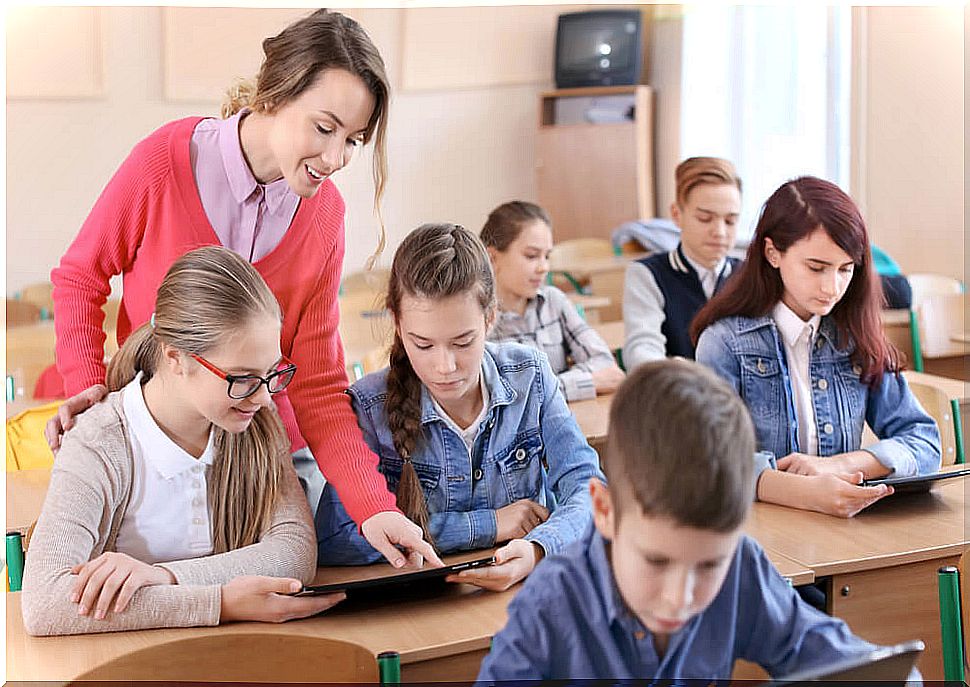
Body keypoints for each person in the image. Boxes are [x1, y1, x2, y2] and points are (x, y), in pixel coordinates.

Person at [44, 9, 437, 568]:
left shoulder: (325, 216)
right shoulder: (165, 162)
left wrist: (374, 508)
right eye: (324, 128)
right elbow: (81, 276)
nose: (335, 158)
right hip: (156, 445)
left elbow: (320, 383)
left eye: (354, 140)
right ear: (274, 94)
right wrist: (87, 387)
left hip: (261, 456)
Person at [477, 360, 920, 681]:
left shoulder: (740, 567)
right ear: (606, 511)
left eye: (708, 566)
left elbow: (842, 659)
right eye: (656, 561)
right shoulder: (551, 604)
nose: (678, 598)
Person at [22, 247, 343, 636]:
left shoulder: (257, 423)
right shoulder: (99, 441)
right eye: (241, 378)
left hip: (233, 656)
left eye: (271, 373)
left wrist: (163, 577)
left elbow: (294, 553)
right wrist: (221, 602)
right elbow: (45, 603)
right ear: (176, 358)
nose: (264, 397)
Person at [315, 224, 605, 591]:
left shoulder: (529, 374)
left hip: (529, 593)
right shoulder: (370, 406)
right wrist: (488, 525)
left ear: (490, 318)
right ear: (397, 323)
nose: (445, 366)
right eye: (423, 344)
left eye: (463, 342)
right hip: (420, 609)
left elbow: (589, 488)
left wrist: (538, 548)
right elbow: (335, 538)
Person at [692, 176, 941, 518]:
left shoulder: (855, 335)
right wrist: (804, 492)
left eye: (845, 269)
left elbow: (924, 440)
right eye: (816, 267)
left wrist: (842, 465)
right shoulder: (724, 343)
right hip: (756, 529)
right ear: (772, 253)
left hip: (840, 524)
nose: (832, 286)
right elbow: (709, 460)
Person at [481, 201, 624, 401]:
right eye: (532, 256)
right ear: (492, 258)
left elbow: (607, 366)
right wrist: (586, 382)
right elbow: (503, 397)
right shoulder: (477, 320)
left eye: (546, 256)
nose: (544, 267)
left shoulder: (554, 301)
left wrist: (544, 388)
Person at [623, 157, 742, 367]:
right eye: (705, 218)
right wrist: (673, 374)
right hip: (677, 395)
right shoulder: (647, 274)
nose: (720, 232)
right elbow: (642, 349)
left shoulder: (749, 275)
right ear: (677, 215)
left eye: (730, 221)